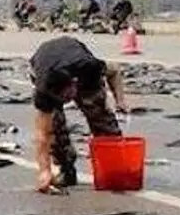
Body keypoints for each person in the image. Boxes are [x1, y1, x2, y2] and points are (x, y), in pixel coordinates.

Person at [30, 36, 130, 192]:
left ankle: (114, 168)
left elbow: (115, 70)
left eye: (67, 97)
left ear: (74, 84)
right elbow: (42, 135)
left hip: (75, 61)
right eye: (60, 100)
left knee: (99, 115)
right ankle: (66, 168)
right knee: (55, 125)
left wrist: (120, 101)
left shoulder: (89, 68)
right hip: (43, 63)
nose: (65, 102)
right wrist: (44, 170)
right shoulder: (45, 90)